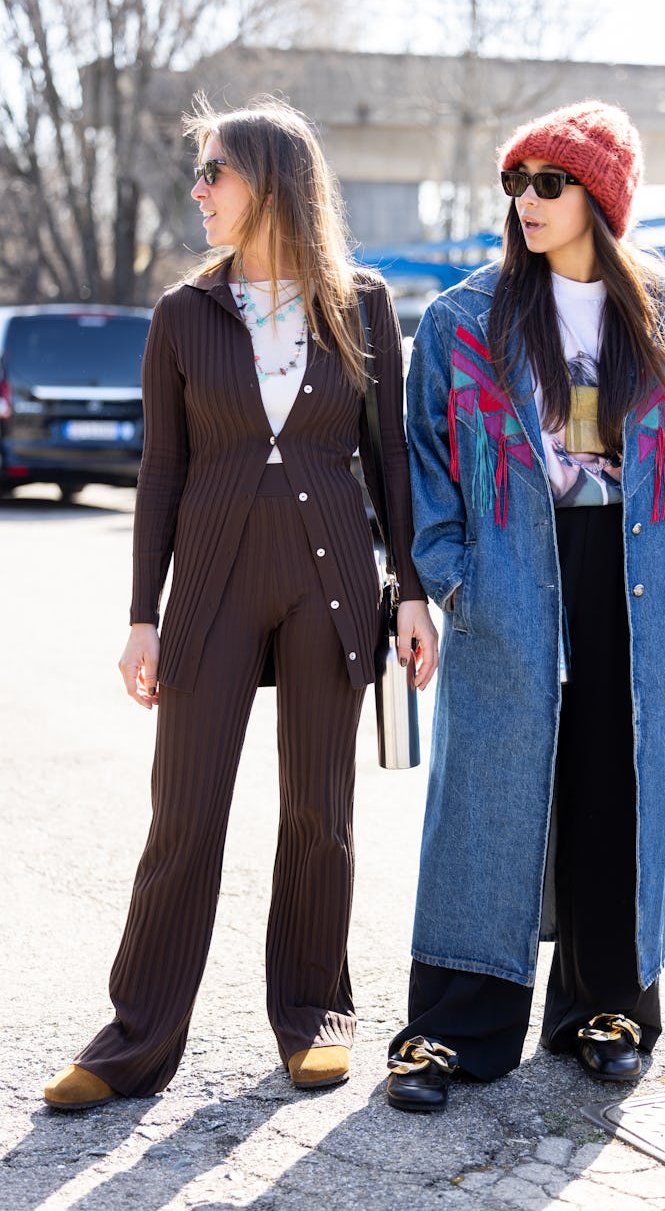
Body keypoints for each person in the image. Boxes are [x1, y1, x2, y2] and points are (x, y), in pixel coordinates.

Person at [43, 94, 438, 1111]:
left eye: (215, 171)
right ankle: (134, 1040)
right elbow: (161, 473)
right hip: (211, 587)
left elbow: (390, 459)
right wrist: (142, 612)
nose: (200, 190)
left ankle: (314, 1014)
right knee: (184, 814)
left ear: (270, 183)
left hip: (331, 580)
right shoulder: (183, 314)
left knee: (319, 809)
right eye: (202, 174)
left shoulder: (363, 304)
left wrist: (413, 589)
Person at [385, 101, 665, 1113]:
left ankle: (609, 1007)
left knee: (616, 783)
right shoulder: (464, 321)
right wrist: (454, 578)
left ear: (604, 196)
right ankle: (457, 1025)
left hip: (635, 571)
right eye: (516, 182)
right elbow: (426, 470)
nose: (528, 201)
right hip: (511, 570)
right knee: (487, 789)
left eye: (550, 182)